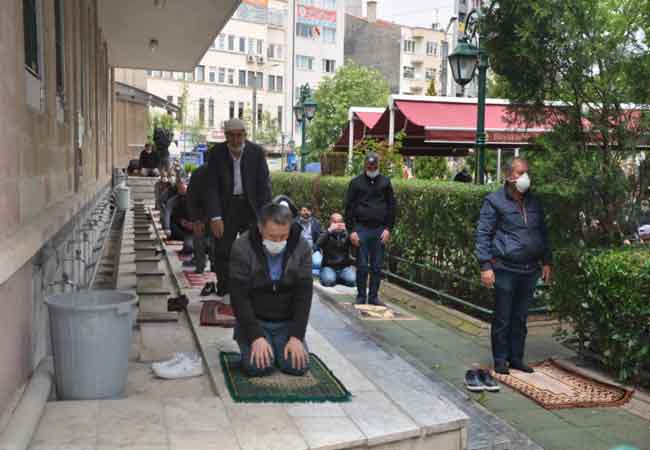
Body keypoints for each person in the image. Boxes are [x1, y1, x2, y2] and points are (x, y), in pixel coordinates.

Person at [475, 158, 553, 375]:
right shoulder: (494, 201)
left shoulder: (534, 201)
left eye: (526, 172)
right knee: (502, 316)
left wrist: (547, 260)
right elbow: (483, 233)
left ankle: (516, 357)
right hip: (505, 267)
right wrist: (485, 266)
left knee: (520, 317)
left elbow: (542, 232)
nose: (525, 177)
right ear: (509, 176)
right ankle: (500, 359)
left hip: (530, 269)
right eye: (521, 173)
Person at [230, 203, 312, 376]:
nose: (278, 242)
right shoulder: (242, 247)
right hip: (255, 319)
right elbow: (239, 297)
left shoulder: (302, 246)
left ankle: (279, 346)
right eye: (272, 237)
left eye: (283, 236)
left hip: (286, 322)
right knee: (258, 367)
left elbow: (304, 295)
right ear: (260, 228)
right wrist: (255, 336)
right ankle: (259, 344)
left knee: (298, 367)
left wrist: (297, 336)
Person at [205, 118, 272, 297]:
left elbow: (264, 188)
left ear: (245, 135)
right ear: (226, 136)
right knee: (222, 249)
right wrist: (215, 217)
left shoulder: (256, 153)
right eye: (232, 136)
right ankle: (225, 288)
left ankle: (252, 288)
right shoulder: (215, 154)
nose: (236, 140)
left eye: (239, 135)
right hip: (226, 207)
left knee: (254, 248)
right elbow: (211, 187)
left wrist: (264, 218)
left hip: (249, 207)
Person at [344, 152, 397, 305]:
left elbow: (392, 207)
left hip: (379, 229)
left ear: (378, 166)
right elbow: (349, 208)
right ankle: (361, 296)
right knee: (361, 266)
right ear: (364, 166)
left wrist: (388, 229)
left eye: (374, 166)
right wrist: (352, 230)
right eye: (369, 166)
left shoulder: (386, 183)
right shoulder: (356, 183)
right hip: (362, 228)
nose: (372, 168)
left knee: (376, 266)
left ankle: (373, 297)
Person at [187, 161, 216, 276]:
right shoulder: (216, 171)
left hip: (207, 212)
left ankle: (201, 266)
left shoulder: (198, 172)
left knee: (201, 240)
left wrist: (195, 218)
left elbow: (190, 197)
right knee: (212, 240)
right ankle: (212, 265)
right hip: (211, 212)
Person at [317, 213, 356, 287]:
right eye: (335, 222)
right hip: (329, 266)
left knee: (352, 281)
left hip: (344, 267)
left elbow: (355, 246)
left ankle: (337, 278)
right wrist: (329, 231)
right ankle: (328, 276)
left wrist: (348, 232)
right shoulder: (325, 233)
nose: (338, 224)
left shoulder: (346, 233)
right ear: (330, 223)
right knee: (328, 281)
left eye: (340, 221)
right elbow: (317, 245)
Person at [170, 177, 194, 255]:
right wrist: (182, 221)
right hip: (187, 230)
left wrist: (195, 224)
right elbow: (176, 215)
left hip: (200, 228)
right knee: (188, 247)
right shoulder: (181, 200)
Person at [295, 204, 323, 275]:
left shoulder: (316, 223)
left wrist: (314, 249)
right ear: (300, 212)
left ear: (311, 212)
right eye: (304, 210)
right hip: (298, 251)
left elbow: (321, 238)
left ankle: (305, 269)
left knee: (318, 263)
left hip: (313, 250)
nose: (306, 212)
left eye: (308, 210)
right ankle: (309, 270)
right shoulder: (294, 223)